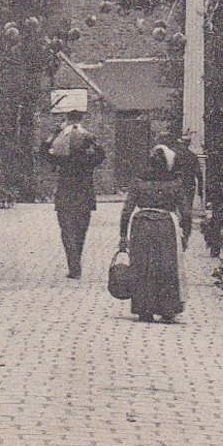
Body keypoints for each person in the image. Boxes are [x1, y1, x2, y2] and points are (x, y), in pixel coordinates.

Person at [118, 144, 191, 322]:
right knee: (166, 266)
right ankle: (167, 308)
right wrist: (186, 235)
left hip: (141, 225)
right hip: (166, 225)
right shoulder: (175, 183)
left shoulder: (138, 182)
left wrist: (122, 235)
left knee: (142, 266)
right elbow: (186, 213)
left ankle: (144, 308)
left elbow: (127, 210)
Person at [42, 112, 106, 278]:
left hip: (65, 196)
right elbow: (102, 155)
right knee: (80, 232)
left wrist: (55, 133)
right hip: (84, 196)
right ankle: (75, 262)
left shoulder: (62, 158)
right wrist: (90, 138)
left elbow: (44, 152)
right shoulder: (87, 156)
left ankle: (74, 266)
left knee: (67, 231)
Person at [174, 134, 203, 250]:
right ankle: (185, 237)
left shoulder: (174, 156)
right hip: (188, 187)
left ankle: (176, 236)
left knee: (175, 211)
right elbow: (199, 175)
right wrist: (200, 191)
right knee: (187, 213)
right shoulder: (192, 156)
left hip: (176, 186)